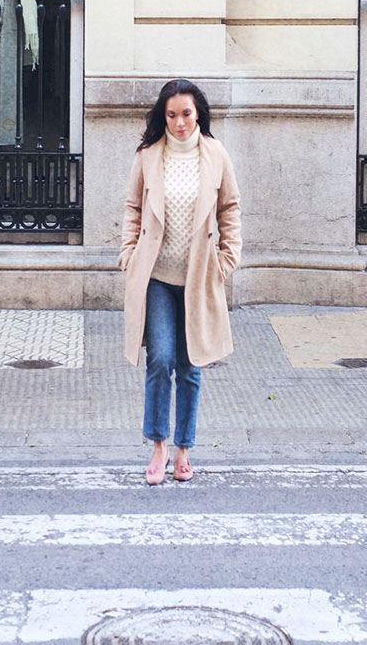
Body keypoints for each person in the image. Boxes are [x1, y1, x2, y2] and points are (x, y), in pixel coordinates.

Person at [119, 79, 242, 485]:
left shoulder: (216, 154)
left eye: (186, 113)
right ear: (164, 117)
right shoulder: (148, 155)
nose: (180, 123)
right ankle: (158, 445)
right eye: (171, 115)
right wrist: (128, 254)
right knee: (160, 360)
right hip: (156, 276)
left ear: (198, 113)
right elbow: (133, 207)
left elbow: (230, 208)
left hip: (198, 278)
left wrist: (226, 260)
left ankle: (183, 449)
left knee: (191, 365)